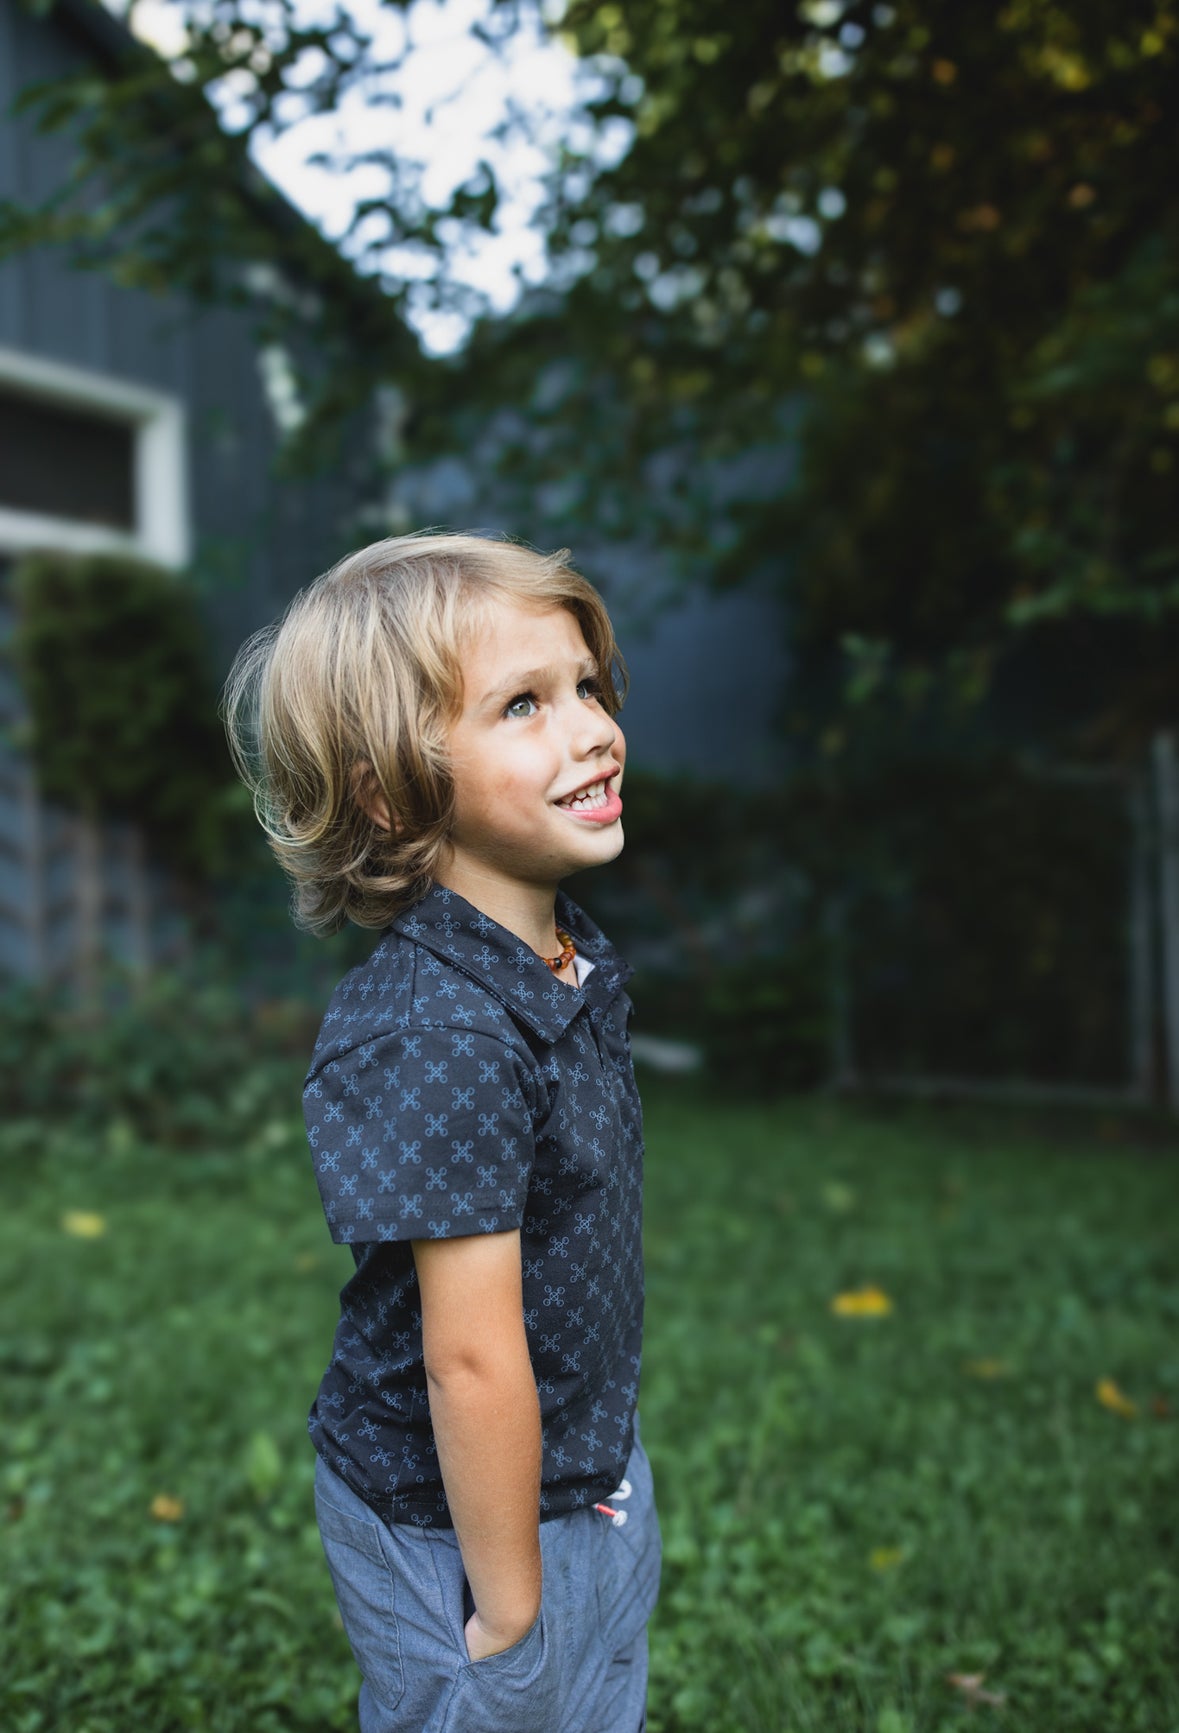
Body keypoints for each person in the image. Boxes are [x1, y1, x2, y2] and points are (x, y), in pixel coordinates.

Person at [224, 532, 660, 1733]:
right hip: (455, 1523)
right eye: (524, 704)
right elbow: (466, 1357)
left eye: (587, 686)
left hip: (580, 1467)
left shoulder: (555, 956)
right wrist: (508, 1608)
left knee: (594, 1700)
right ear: (389, 790)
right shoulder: (438, 1030)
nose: (593, 728)